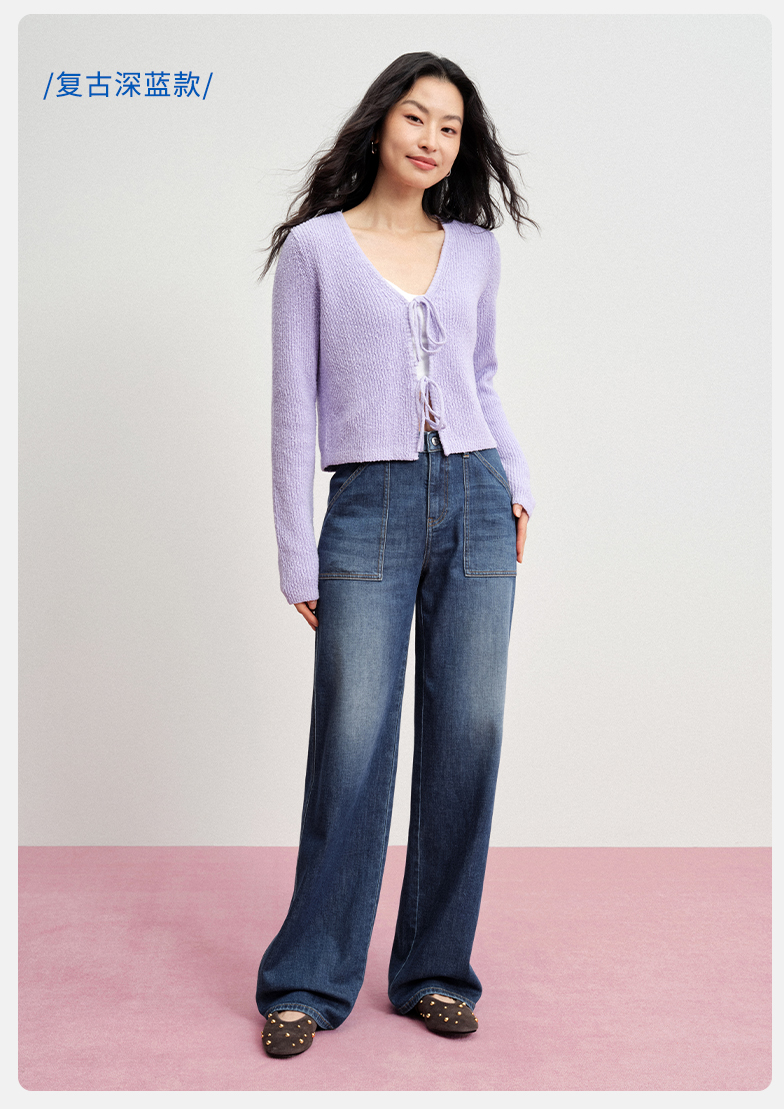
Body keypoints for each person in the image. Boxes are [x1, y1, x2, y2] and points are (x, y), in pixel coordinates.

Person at [255, 51, 538, 1058]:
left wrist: (517, 486)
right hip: (367, 506)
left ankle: (435, 971)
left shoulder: (475, 251)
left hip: (475, 497)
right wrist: (296, 554)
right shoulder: (315, 251)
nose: (432, 139)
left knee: (469, 733)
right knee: (353, 739)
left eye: (450, 127)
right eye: (417, 117)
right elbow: (293, 408)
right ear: (381, 123)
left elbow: (484, 377)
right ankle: (306, 979)